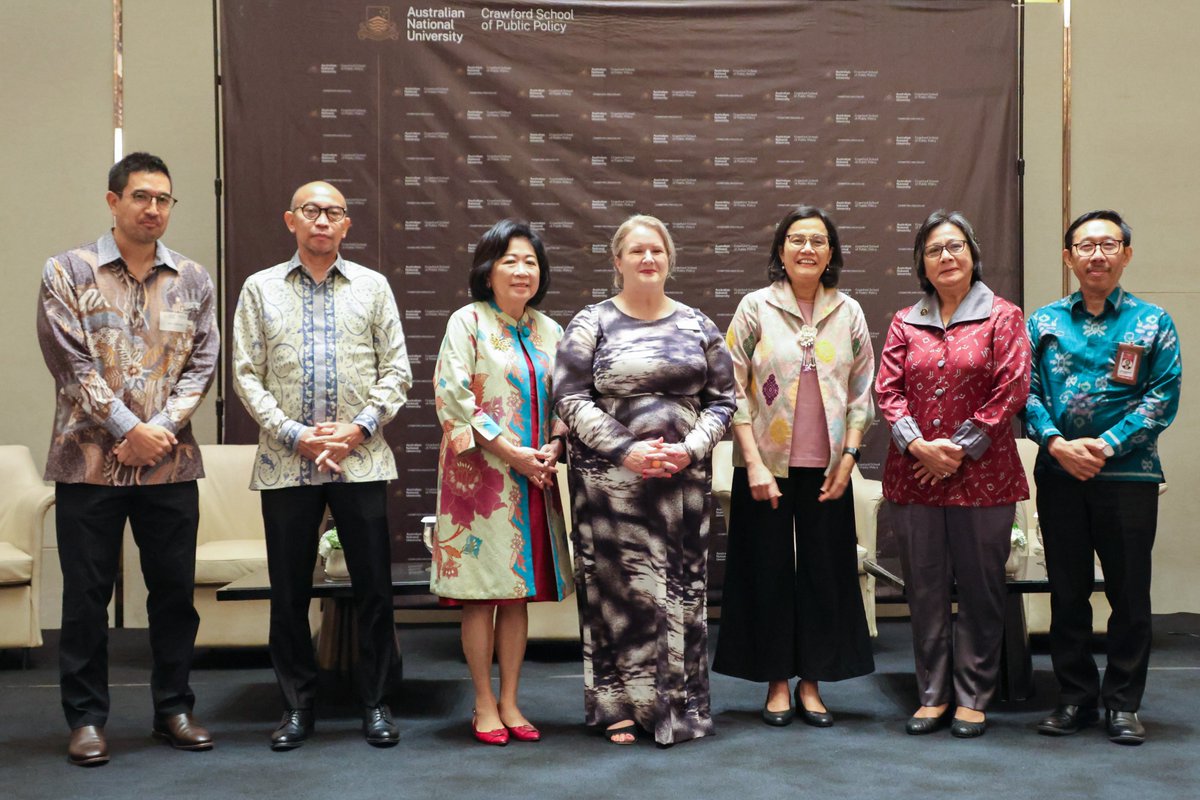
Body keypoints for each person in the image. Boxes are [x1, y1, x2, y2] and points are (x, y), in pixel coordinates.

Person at [36, 152, 218, 766]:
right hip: (88, 463)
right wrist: (127, 428)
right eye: (141, 196)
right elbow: (70, 365)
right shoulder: (68, 272)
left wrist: (158, 430)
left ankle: (174, 708)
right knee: (86, 595)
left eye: (164, 199)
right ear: (113, 201)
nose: (153, 209)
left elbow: (202, 366)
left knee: (172, 594)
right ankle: (86, 720)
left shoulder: (193, 279)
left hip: (170, 464)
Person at [232, 180, 412, 750]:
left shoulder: (373, 287)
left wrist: (358, 428)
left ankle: (377, 702)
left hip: (361, 460)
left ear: (346, 225)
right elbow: (245, 373)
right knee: (288, 593)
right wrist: (294, 434)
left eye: (333, 212)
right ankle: (296, 707)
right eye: (311, 211)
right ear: (291, 220)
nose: (322, 221)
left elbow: (398, 371)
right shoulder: (260, 289)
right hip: (287, 463)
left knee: (373, 591)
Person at [554, 214, 736, 746]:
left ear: (669, 259)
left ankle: (680, 708)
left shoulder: (699, 325)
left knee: (679, 594)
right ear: (617, 262)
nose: (648, 259)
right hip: (609, 487)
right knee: (617, 593)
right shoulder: (591, 323)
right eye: (636, 251)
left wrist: (690, 447)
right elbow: (568, 397)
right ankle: (615, 706)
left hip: (681, 484)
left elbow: (723, 401)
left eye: (656, 250)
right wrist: (626, 449)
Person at [713, 206, 875, 727]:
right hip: (766, 465)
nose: (808, 248)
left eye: (818, 241)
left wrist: (849, 456)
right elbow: (729, 386)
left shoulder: (848, 311)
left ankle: (812, 682)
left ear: (831, 253)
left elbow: (863, 392)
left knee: (825, 575)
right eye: (797, 239)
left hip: (829, 466)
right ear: (781, 250)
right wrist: (753, 463)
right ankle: (777, 682)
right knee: (768, 573)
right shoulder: (754, 308)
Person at [1026, 210, 1182, 745]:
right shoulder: (1043, 321)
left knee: (1129, 594)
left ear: (1126, 254)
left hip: (1130, 477)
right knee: (1067, 592)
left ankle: (1122, 704)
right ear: (1068, 256)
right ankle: (1073, 699)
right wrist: (1057, 443)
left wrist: (1106, 445)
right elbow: (1025, 394)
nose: (1097, 255)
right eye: (1085, 246)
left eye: (1108, 244)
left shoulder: (1153, 321)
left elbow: (1163, 396)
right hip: (1059, 472)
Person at [875, 210, 1031, 738]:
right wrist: (919, 446)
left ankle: (973, 695)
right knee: (924, 590)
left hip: (984, 477)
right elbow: (887, 392)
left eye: (956, 246)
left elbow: (1010, 389)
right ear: (922, 261)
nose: (947, 256)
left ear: (972, 254)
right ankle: (933, 693)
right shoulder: (905, 321)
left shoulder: (1004, 317)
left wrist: (958, 450)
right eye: (935, 249)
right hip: (914, 478)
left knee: (983, 589)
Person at [430, 219, 574, 746]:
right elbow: (452, 398)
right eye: (510, 260)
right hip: (481, 482)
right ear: (487, 269)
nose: (521, 270)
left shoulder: (550, 330)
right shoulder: (466, 322)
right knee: (480, 596)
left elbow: (568, 400)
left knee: (516, 595)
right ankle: (482, 701)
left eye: (530, 261)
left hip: (535, 476)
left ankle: (511, 699)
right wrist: (513, 452)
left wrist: (556, 445)